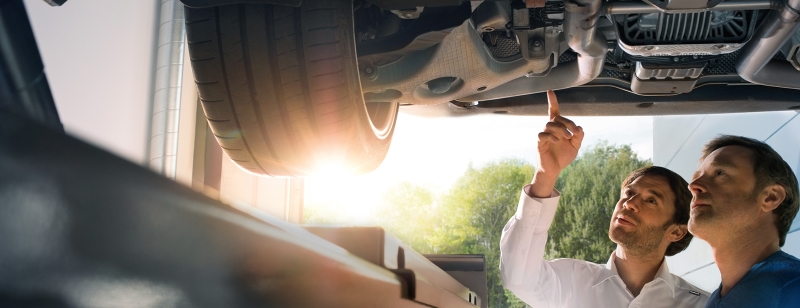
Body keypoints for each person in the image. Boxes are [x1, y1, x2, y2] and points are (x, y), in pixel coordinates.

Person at [500, 90, 709, 307]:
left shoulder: (703, 305)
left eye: (651, 200)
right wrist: (546, 174)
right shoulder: (571, 282)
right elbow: (518, 277)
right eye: (629, 193)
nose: (629, 203)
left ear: (676, 231)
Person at [688, 136, 800, 307]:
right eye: (697, 176)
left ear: (771, 197)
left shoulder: (793, 286)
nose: (693, 185)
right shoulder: (715, 300)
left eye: (719, 173)